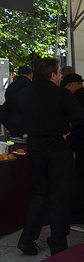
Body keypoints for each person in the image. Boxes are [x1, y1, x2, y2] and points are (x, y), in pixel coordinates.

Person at [0, 58, 84, 256]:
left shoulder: (26, 93)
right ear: (53, 75)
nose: (61, 76)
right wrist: (69, 139)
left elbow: (2, 113)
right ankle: (58, 245)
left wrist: (22, 131)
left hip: (35, 147)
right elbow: (80, 119)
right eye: (59, 73)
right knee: (60, 196)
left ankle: (27, 239)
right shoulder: (62, 93)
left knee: (39, 192)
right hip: (58, 148)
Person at [62, 73, 84, 224]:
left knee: (79, 180)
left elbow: (78, 121)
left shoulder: (77, 98)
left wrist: (69, 138)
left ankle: (78, 214)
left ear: (72, 85)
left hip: (81, 145)